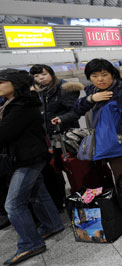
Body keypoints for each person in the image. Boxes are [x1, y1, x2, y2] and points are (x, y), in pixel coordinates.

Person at [52, 59, 122, 225]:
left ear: (112, 74)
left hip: (118, 143)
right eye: (95, 75)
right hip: (102, 141)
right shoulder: (92, 91)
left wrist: (120, 136)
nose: (100, 79)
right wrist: (91, 99)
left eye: (104, 74)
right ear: (89, 78)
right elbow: (78, 109)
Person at [0, 69, 64, 266]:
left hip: (28, 157)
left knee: (13, 204)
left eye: (2, 82)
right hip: (27, 155)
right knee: (37, 193)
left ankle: (31, 242)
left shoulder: (23, 106)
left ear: (15, 83)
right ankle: (52, 224)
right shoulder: (11, 104)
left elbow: (4, 134)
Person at [30, 64, 84, 211]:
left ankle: (82, 193)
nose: (41, 78)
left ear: (52, 74)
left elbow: (76, 111)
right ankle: (64, 198)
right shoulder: (42, 92)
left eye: (44, 74)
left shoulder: (65, 88)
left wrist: (61, 119)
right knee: (58, 165)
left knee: (73, 166)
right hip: (53, 136)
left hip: (68, 135)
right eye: (36, 76)